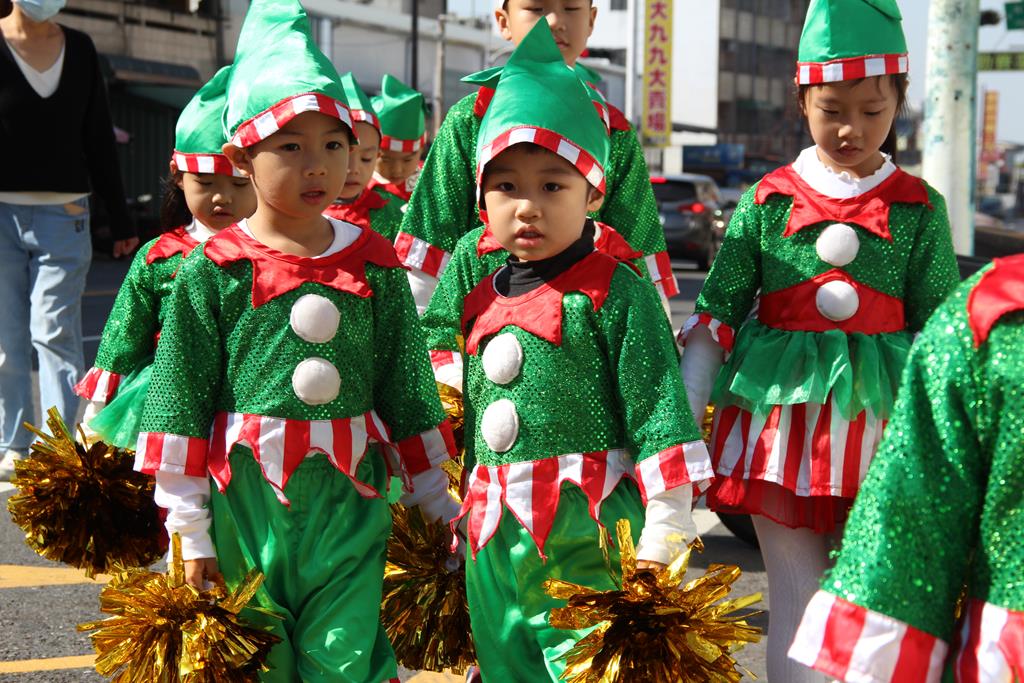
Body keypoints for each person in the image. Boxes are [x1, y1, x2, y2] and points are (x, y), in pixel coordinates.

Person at [133, 2, 458, 680]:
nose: (317, 167)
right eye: (291, 147)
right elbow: (178, 398)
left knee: (346, 656)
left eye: (333, 146)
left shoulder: (374, 261)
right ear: (240, 158)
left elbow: (405, 384)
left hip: (353, 499)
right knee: (259, 661)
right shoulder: (214, 266)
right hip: (243, 504)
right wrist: (189, 529)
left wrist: (435, 499)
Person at [677, 1, 960, 680]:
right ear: (801, 100)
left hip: (884, 433)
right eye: (832, 109)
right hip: (776, 430)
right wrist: (680, 427)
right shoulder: (767, 200)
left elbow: (946, 336)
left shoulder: (920, 206)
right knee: (798, 597)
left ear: (899, 102)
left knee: (872, 604)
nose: (851, 128)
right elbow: (714, 316)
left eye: (872, 110)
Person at [452, 22, 712, 681]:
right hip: (492, 535)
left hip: (588, 529)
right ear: (480, 196)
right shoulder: (478, 297)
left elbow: (659, 410)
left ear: (594, 192)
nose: (527, 207)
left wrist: (665, 528)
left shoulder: (616, 292)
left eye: (552, 186)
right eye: (506, 187)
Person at [789, 254, 1024, 681]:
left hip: (1006, 655)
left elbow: (909, 529)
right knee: (793, 579)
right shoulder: (989, 316)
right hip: (795, 394)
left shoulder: (987, 317)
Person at [395, 0, 676, 315]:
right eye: (536, 9)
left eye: (571, 8)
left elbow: (636, 245)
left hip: (584, 322)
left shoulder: (613, 128)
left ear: (591, 19)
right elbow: (431, 241)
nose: (554, 21)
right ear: (503, 21)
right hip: (479, 320)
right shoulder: (470, 117)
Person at [75, 66, 255, 449]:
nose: (222, 196)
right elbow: (123, 336)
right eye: (205, 182)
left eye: (240, 183)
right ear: (178, 176)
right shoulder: (158, 257)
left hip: (250, 403)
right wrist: (94, 418)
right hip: (164, 401)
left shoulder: (277, 256)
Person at [0, 0, 138, 479]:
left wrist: (120, 219)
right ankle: (13, 442)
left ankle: (57, 446)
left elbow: (98, 136)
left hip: (67, 211)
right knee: (6, 339)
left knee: (54, 329)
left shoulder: (79, 48)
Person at [324, 72, 404, 242]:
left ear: (377, 156)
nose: (353, 169)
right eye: (345, 156)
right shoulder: (302, 214)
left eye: (366, 158)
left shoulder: (390, 216)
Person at [367, 74, 425, 208]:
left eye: (407, 160)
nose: (397, 170)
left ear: (421, 150)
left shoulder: (430, 179)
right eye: (386, 159)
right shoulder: (357, 187)